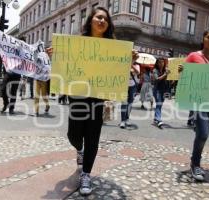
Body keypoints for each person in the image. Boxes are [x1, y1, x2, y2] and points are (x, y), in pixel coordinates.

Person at [67, 7, 132, 195]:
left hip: (98, 96)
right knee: (74, 134)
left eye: (106, 19)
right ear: (91, 21)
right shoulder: (78, 43)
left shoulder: (114, 46)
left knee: (93, 137)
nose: (102, 21)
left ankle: (86, 174)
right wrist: (58, 55)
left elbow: (117, 70)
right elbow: (67, 64)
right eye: (98, 17)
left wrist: (128, 60)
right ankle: (78, 149)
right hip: (78, 95)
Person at [179, 28, 209, 181]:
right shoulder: (194, 56)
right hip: (198, 101)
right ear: (203, 38)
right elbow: (182, 76)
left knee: (201, 133)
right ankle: (195, 164)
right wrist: (181, 70)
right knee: (204, 134)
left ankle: (197, 129)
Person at [0, 36, 26, 114]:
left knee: (13, 92)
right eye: (20, 41)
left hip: (17, 74)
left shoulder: (26, 52)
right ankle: (6, 104)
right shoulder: (11, 48)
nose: (21, 43)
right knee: (3, 89)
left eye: (23, 42)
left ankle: (11, 108)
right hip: (9, 72)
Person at [119, 61, 140, 128]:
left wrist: (131, 65)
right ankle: (122, 121)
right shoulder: (123, 63)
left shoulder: (136, 65)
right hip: (123, 85)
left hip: (133, 86)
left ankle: (127, 119)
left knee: (130, 103)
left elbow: (137, 72)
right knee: (124, 103)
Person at [152, 57, 168, 128]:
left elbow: (169, 80)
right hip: (157, 89)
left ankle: (156, 118)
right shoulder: (155, 70)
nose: (161, 63)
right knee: (158, 104)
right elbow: (156, 79)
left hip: (164, 90)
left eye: (162, 62)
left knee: (160, 105)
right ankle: (159, 119)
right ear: (157, 63)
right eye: (159, 62)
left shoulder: (166, 70)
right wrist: (165, 74)